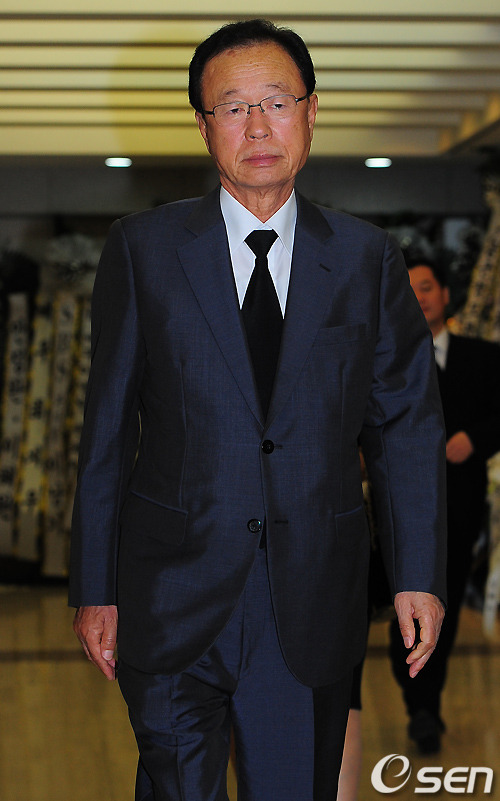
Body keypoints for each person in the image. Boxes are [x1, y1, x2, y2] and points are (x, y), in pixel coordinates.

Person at [70, 19, 446, 801]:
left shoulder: (366, 259)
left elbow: (405, 425)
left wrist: (417, 572)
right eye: (233, 108)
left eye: (276, 101)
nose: (257, 126)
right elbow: (105, 429)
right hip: (171, 595)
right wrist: (94, 585)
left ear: (312, 111)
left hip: (310, 598)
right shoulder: (144, 250)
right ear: (204, 125)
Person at [388, 259, 500, 755]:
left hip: (459, 501)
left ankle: (425, 702)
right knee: (404, 599)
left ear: (446, 294)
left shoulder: (483, 357)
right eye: (410, 290)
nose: (420, 297)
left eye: (428, 287)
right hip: (397, 505)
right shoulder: (388, 357)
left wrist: (475, 438)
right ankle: (420, 701)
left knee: (445, 599)